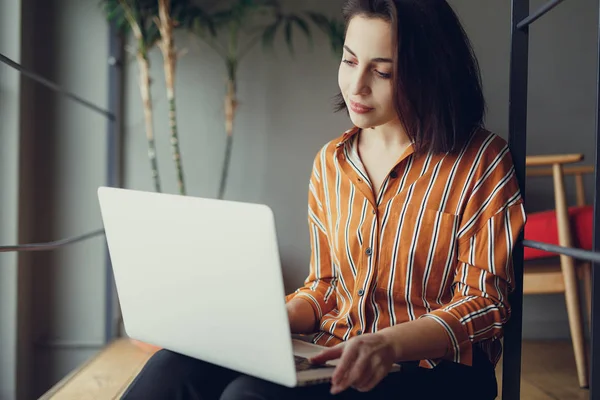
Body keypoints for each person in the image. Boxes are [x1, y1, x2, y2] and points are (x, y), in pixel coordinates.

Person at [121, 0, 526, 399]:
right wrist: (269, 320)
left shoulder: (482, 162)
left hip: (435, 373)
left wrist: (388, 344)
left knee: (249, 395)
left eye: (382, 72)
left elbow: (484, 305)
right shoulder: (331, 163)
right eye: (349, 62)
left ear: (428, 74)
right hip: (333, 351)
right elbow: (326, 286)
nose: (356, 85)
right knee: (172, 365)